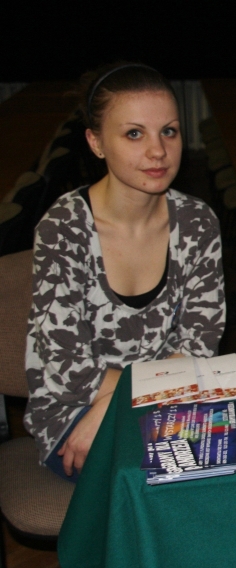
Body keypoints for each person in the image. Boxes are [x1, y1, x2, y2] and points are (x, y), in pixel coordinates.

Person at [25, 63, 225, 480]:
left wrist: (123, 401)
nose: (158, 151)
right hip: (78, 410)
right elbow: (67, 369)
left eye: (168, 131)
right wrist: (124, 401)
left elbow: (198, 347)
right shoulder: (63, 228)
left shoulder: (197, 221)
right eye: (134, 134)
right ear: (96, 142)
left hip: (169, 399)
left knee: (221, 470)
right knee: (155, 481)